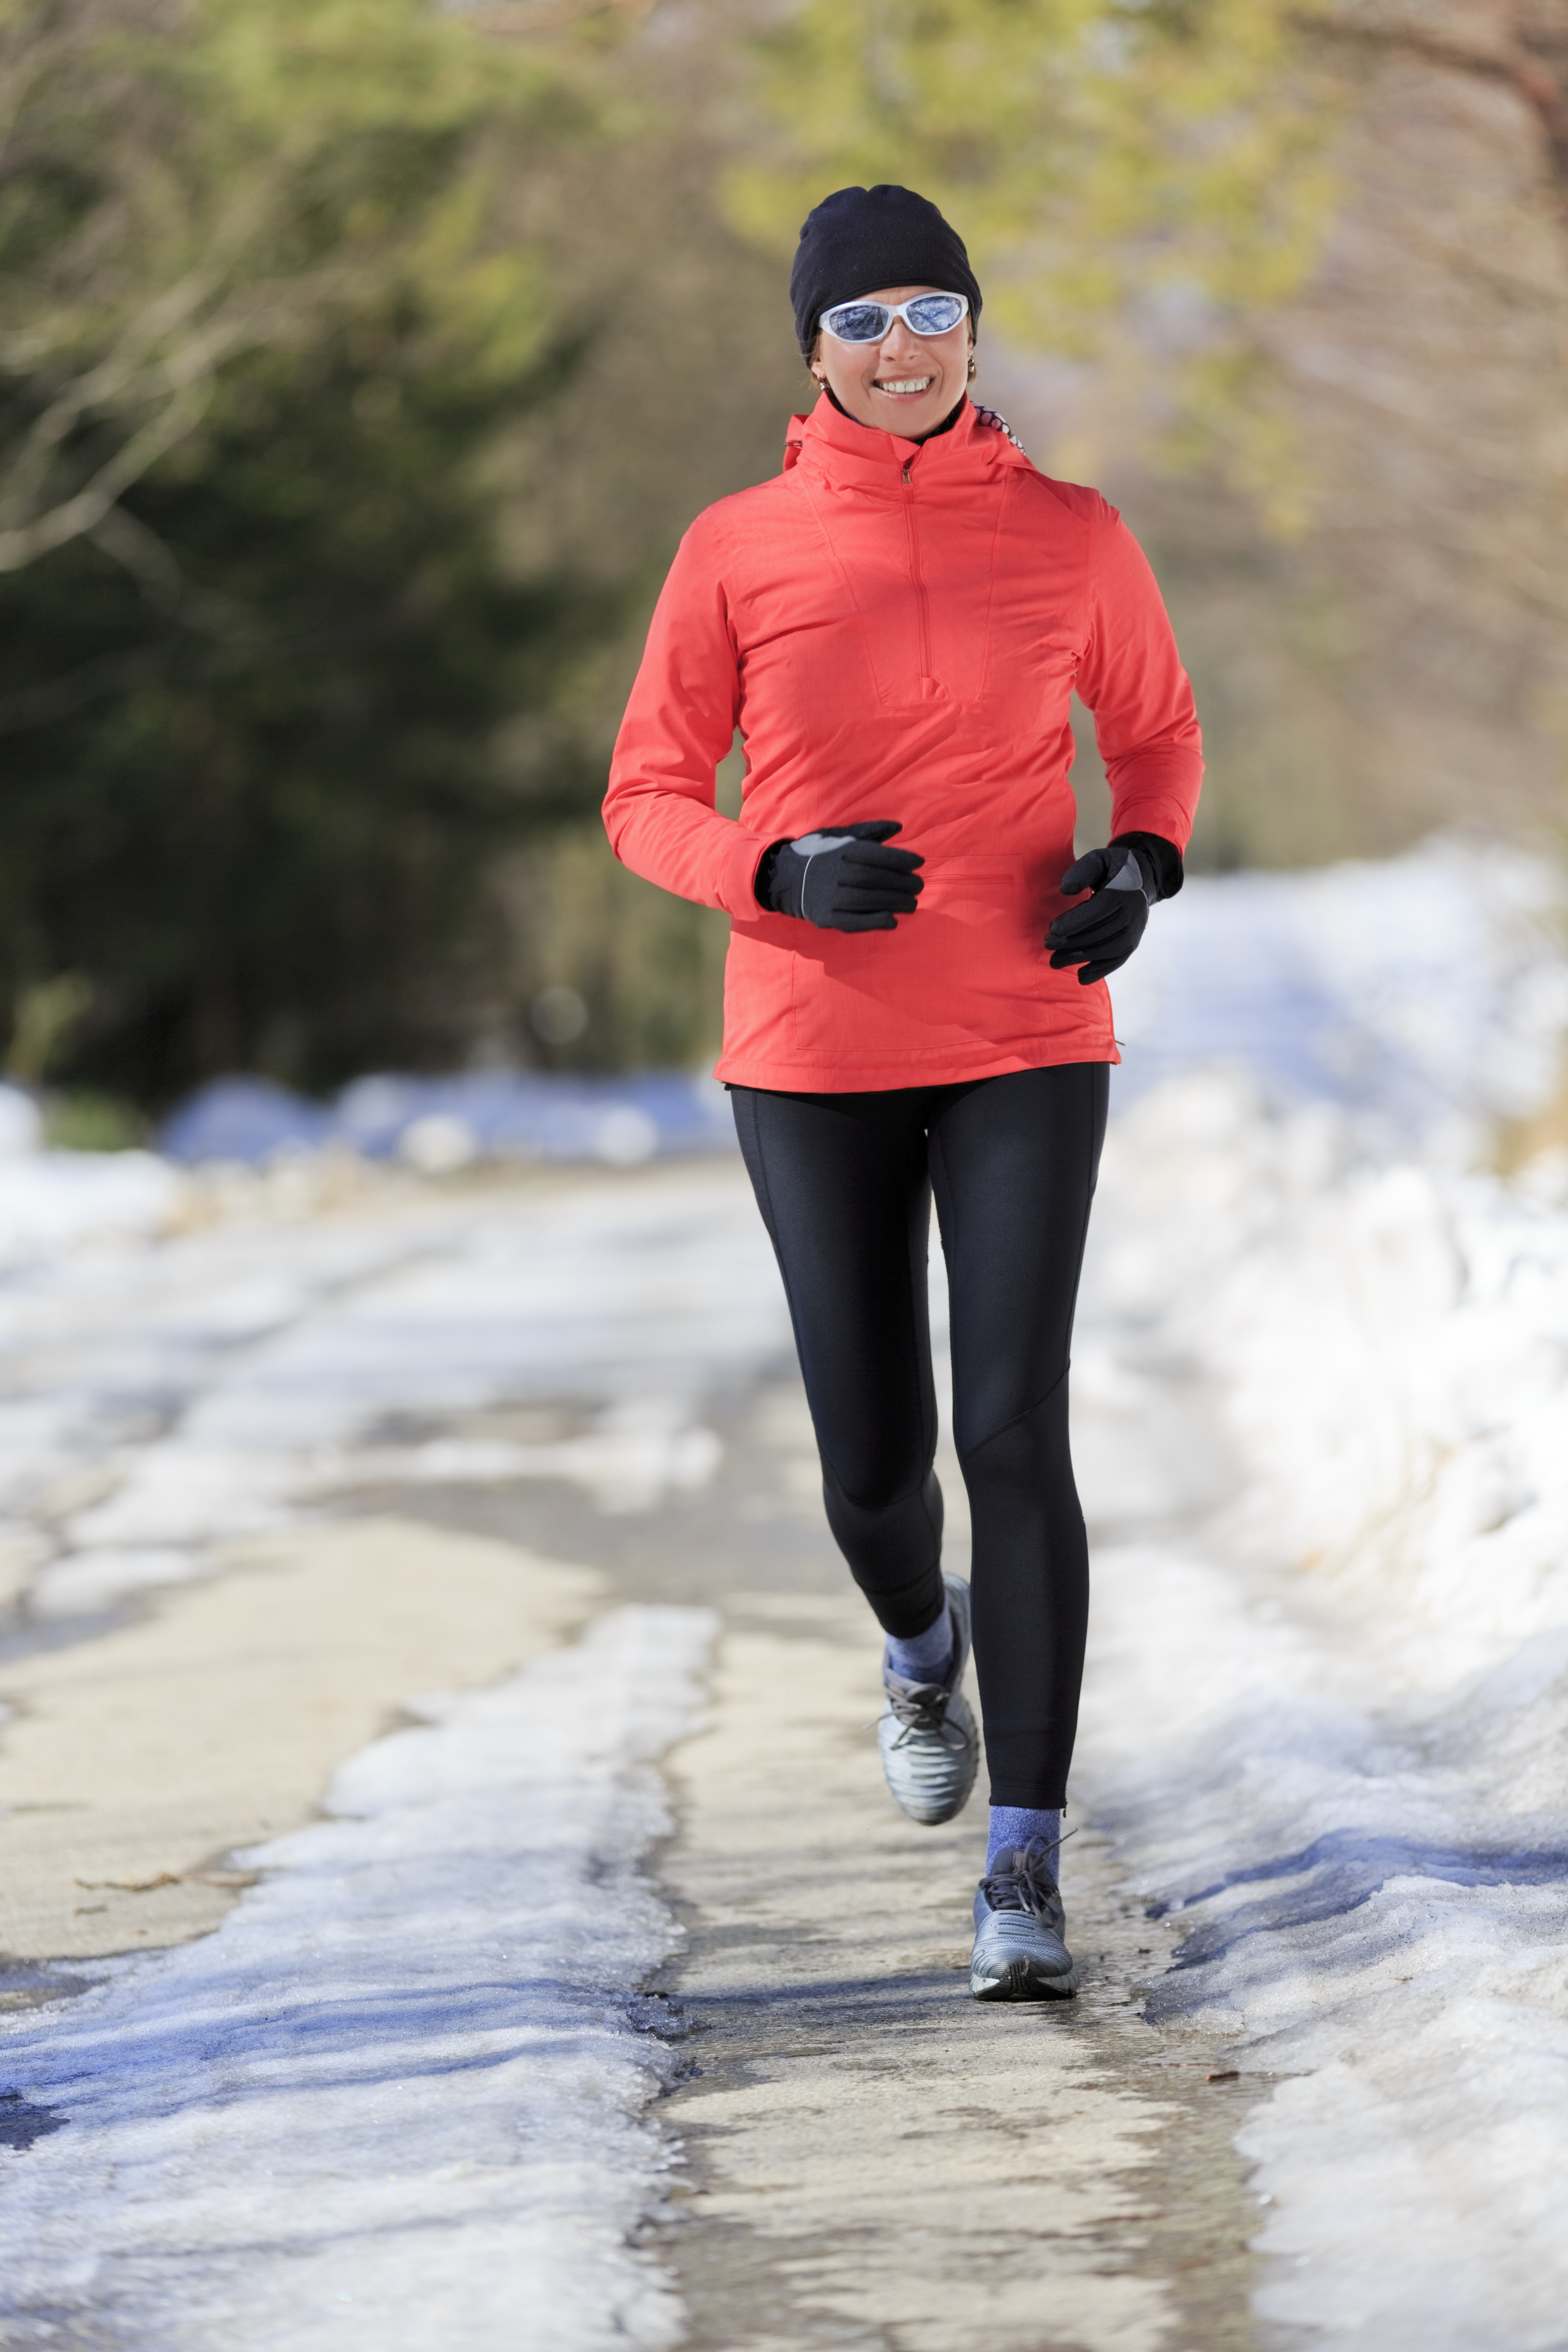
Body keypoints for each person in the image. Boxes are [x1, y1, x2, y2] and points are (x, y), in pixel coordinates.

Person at [604, 183, 1202, 2000]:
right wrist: (768, 874)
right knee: (878, 1459)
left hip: (1029, 1029)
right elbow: (644, 794)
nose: (900, 344)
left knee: (1013, 1429)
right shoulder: (737, 548)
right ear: (812, 350)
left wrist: (1145, 864)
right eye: (860, 320)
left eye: (929, 308)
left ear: (973, 328)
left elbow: (1157, 732)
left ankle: (1025, 1865)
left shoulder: (1075, 534)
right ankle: (915, 1636)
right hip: (814, 1053)